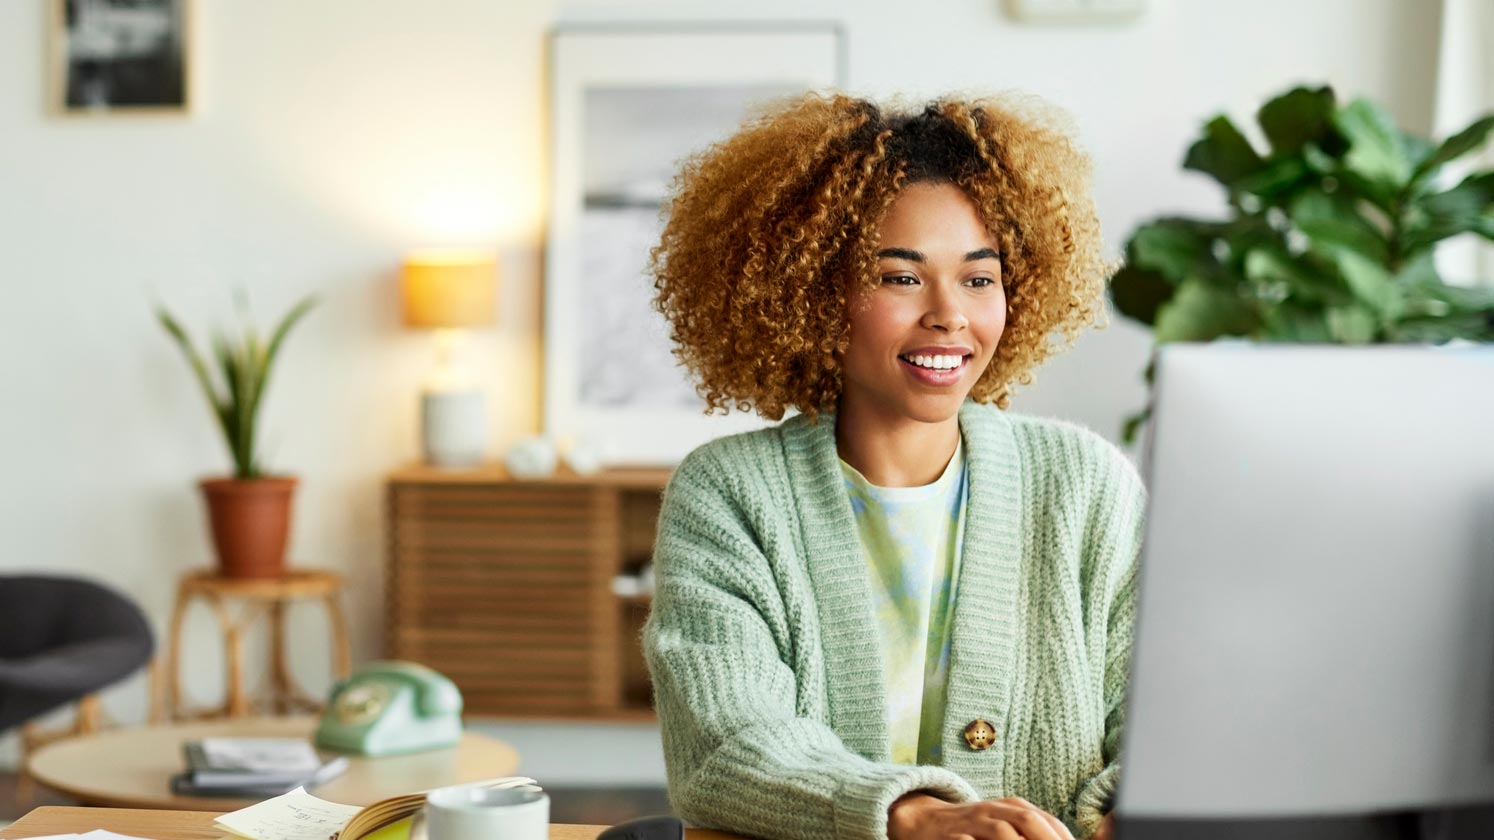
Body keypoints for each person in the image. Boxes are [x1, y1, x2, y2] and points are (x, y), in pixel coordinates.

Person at [642, 92, 1145, 840]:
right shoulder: (730, 495)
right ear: (813, 295)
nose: (950, 313)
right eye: (901, 277)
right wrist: (910, 816)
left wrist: (1124, 814)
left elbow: (1162, 721)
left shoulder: (1084, 483)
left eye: (980, 278)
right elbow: (725, 744)